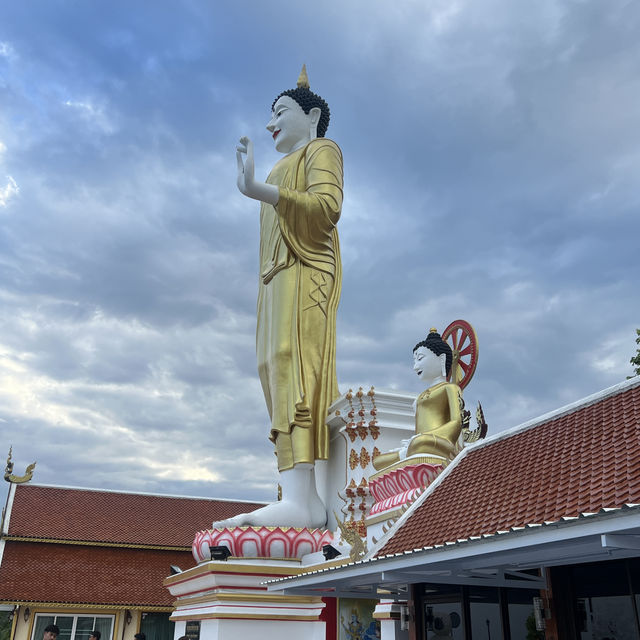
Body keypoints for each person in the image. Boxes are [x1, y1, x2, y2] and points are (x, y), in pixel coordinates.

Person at [213, 65, 342, 529]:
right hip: (272, 282)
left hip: (304, 272)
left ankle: (302, 497)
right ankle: (295, 493)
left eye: (280, 112)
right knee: (272, 369)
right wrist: (261, 186)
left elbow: (327, 209)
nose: (271, 125)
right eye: (269, 116)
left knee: (294, 363)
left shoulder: (322, 149)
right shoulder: (275, 167)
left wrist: (259, 190)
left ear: (310, 115)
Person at [373, 329, 463, 471]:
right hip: (417, 445)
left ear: (442, 359)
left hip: (439, 443)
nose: (415, 367)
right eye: (415, 361)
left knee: (420, 442)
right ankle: (407, 454)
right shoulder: (419, 398)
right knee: (377, 461)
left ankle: (411, 452)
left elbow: (456, 423)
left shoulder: (450, 388)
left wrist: (423, 437)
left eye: (420, 359)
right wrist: (410, 443)